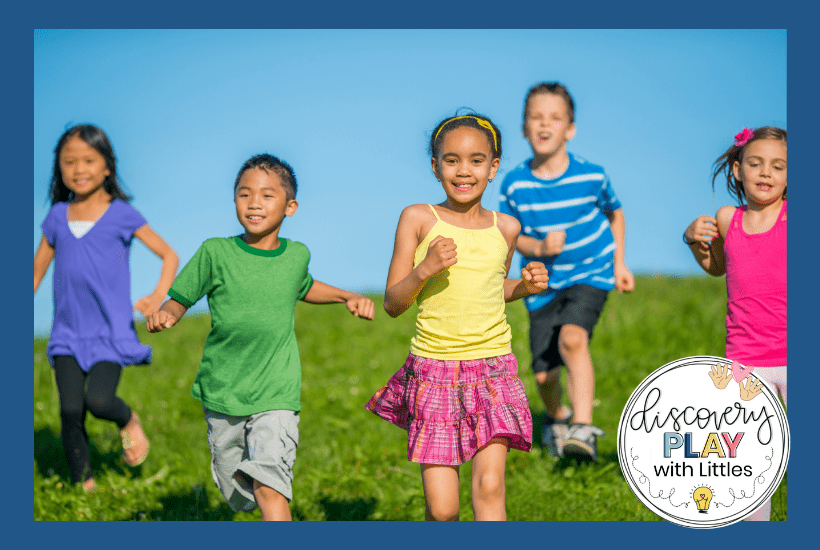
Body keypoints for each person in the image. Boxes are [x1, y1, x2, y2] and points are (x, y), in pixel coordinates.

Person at [146, 153, 375, 521]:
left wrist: (347, 295)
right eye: (244, 194)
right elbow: (180, 298)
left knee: (270, 486)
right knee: (235, 485)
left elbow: (303, 286)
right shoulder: (215, 252)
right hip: (224, 389)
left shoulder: (296, 255)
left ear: (290, 206)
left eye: (267, 195)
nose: (254, 203)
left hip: (276, 390)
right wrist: (166, 315)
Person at [366, 113, 549, 521]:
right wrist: (424, 269)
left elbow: (492, 289)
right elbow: (394, 303)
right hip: (434, 371)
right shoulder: (418, 218)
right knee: (443, 510)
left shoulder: (507, 228)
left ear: (493, 168)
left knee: (490, 488)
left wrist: (525, 287)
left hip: (493, 369)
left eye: (476, 160)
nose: (464, 171)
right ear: (435, 167)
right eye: (451, 160)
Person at [33, 124, 179, 490]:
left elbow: (168, 254)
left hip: (109, 334)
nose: (79, 169)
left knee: (98, 401)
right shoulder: (56, 218)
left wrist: (157, 295)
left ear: (107, 167)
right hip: (67, 334)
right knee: (69, 411)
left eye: (88, 160)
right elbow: (35, 273)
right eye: (69, 162)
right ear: (59, 169)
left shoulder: (122, 214)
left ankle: (129, 419)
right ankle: (86, 488)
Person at [499, 82, 635, 462]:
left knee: (573, 340)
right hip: (541, 284)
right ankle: (557, 418)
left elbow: (615, 212)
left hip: (590, 271)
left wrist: (620, 262)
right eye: (536, 117)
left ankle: (583, 429)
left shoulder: (592, 176)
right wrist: (538, 248)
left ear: (569, 129)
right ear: (524, 128)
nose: (545, 125)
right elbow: (511, 234)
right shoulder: (515, 185)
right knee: (544, 376)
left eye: (555, 118)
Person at [683, 126, 786, 521]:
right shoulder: (729, 218)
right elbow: (718, 269)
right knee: (749, 465)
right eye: (756, 163)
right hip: (744, 361)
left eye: (778, 166)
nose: (765, 173)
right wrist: (693, 240)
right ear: (738, 168)